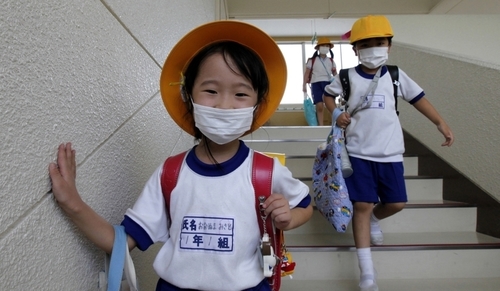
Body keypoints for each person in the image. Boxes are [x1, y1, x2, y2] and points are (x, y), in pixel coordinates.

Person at [49, 21, 313, 291]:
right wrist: (72, 202)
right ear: (189, 96)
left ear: (258, 104)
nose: (224, 105)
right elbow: (120, 242)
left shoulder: (266, 171)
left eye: (241, 93)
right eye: (210, 91)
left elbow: (305, 205)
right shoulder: (171, 173)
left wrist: (289, 218)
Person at [323, 15, 454, 291]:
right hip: (357, 153)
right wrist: (336, 112)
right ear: (355, 48)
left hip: (391, 153)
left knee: (396, 204)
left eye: (379, 42)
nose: (373, 48)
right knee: (361, 205)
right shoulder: (346, 76)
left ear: (389, 46)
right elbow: (327, 95)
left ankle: (374, 219)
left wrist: (440, 123)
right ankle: (367, 272)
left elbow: (419, 99)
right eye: (366, 44)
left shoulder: (395, 75)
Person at [302, 37, 337, 126]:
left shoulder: (331, 61)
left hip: (328, 84)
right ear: (318, 48)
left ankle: (333, 124)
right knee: (319, 106)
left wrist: (338, 83)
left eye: (326, 46)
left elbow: (335, 73)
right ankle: (321, 125)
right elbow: (307, 73)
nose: (325, 47)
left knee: (331, 106)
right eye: (322, 45)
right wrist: (304, 85)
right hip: (316, 84)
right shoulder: (312, 60)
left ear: (329, 48)